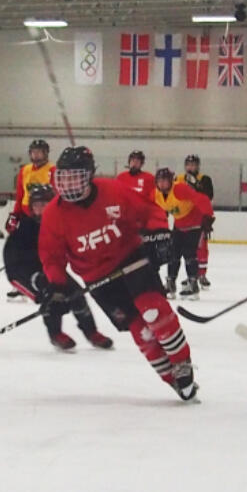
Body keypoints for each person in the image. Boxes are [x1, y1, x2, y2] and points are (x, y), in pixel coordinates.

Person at [38, 146, 199, 401]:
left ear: (89, 176)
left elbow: (148, 212)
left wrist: (159, 234)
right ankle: (171, 378)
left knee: (153, 310)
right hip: (98, 278)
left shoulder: (112, 191)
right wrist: (56, 288)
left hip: (130, 258)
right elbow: (51, 257)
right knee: (141, 330)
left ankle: (182, 363)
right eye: (64, 178)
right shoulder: (53, 214)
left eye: (74, 177)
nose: (67, 184)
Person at [4, 183, 113, 351]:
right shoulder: (25, 227)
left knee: (76, 293)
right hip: (21, 272)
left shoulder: (58, 224)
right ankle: (55, 334)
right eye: (37, 206)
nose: (41, 209)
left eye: (45, 205)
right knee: (51, 296)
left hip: (49, 268)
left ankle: (91, 333)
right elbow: (14, 261)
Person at [154, 167, 214, 300]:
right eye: (160, 181)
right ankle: (170, 284)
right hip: (179, 224)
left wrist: (208, 217)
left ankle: (193, 284)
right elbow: (156, 209)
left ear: (170, 181)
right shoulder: (157, 194)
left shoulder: (179, 189)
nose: (162, 184)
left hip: (194, 222)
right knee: (173, 253)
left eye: (165, 181)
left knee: (189, 253)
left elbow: (201, 199)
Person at [6, 139, 54, 301]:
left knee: (41, 253)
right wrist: (15, 215)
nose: (36, 155)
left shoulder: (53, 170)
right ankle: (21, 282)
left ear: (46, 153)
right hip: (27, 217)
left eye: (39, 152)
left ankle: (45, 283)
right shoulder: (25, 170)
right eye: (33, 152)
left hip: (45, 219)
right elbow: (21, 196)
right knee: (20, 251)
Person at [177, 154, 215, 288]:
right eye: (188, 164)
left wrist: (197, 187)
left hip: (199, 218)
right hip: (183, 218)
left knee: (201, 247)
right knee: (187, 250)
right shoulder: (179, 179)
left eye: (193, 165)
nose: (191, 167)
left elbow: (209, 196)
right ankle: (191, 276)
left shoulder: (204, 179)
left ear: (198, 166)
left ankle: (202, 274)